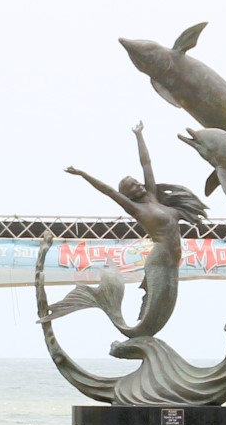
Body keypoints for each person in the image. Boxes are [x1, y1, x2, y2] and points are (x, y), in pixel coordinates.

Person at [45, 122, 207, 338]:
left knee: (165, 308)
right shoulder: (137, 209)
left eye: (137, 183)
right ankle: (134, 333)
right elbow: (109, 191)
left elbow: (147, 164)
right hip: (159, 260)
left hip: (172, 260)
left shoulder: (154, 197)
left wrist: (139, 135)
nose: (140, 185)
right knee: (154, 309)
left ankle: (146, 341)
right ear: (129, 195)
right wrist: (83, 174)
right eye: (134, 187)